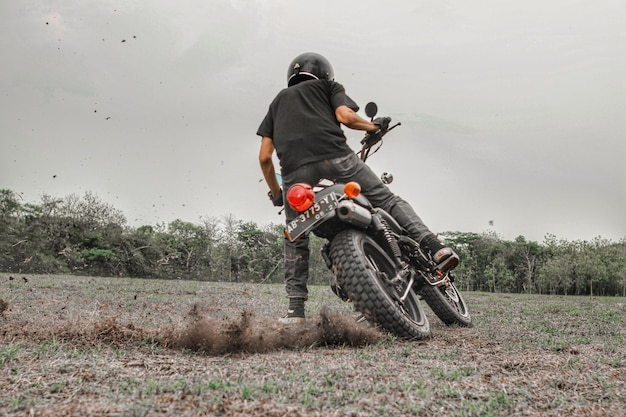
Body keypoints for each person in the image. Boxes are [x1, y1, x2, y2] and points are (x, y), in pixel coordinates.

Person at [257, 52, 458, 323]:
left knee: (296, 237)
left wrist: (277, 194)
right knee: (387, 200)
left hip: (295, 174)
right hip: (336, 158)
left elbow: (265, 157)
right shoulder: (328, 87)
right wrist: (374, 126)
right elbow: (346, 117)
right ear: (325, 73)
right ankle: (435, 247)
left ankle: (296, 311)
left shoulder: (277, 102)